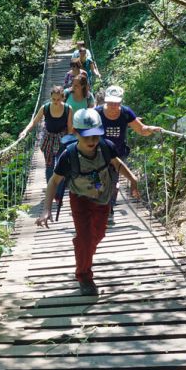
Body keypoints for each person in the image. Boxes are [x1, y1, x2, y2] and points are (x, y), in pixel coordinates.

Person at [37, 109, 140, 296]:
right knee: (85, 239)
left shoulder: (106, 146)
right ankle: (84, 276)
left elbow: (117, 163)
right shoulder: (68, 156)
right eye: (87, 138)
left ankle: (83, 250)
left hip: (103, 197)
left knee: (97, 236)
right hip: (80, 199)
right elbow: (54, 182)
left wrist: (132, 179)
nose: (92, 141)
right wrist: (46, 209)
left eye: (95, 136)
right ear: (76, 132)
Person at [95, 85, 166, 220]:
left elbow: (141, 129)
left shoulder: (126, 113)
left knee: (112, 180)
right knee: (101, 181)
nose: (113, 106)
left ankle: (108, 211)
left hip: (118, 154)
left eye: (116, 103)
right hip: (99, 154)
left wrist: (151, 129)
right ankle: (103, 208)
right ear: (106, 101)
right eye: (110, 103)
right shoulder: (97, 113)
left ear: (121, 102)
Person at [21, 86, 74, 181]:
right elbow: (34, 121)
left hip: (62, 139)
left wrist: (69, 144)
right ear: (51, 97)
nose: (55, 102)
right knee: (49, 166)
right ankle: (50, 189)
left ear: (63, 98)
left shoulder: (68, 109)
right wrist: (25, 131)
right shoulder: (45, 108)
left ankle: (58, 192)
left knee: (60, 165)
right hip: (48, 139)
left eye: (58, 99)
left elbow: (70, 127)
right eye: (53, 99)